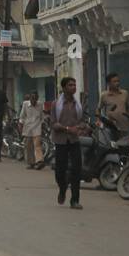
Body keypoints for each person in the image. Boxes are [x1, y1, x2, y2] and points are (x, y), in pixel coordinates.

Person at [50, 77, 86, 209]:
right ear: (64, 88)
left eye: (74, 85)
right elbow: (53, 123)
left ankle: (75, 200)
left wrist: (81, 127)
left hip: (74, 140)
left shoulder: (78, 104)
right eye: (70, 85)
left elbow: (82, 120)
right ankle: (62, 187)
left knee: (77, 170)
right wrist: (66, 129)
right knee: (60, 171)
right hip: (61, 141)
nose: (73, 87)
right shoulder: (56, 104)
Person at [97, 73, 129, 139]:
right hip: (111, 127)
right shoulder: (104, 95)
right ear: (109, 83)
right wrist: (98, 120)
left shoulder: (125, 93)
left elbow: (128, 108)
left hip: (124, 126)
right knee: (113, 146)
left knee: (125, 146)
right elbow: (98, 109)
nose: (117, 83)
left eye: (118, 81)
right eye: (114, 81)